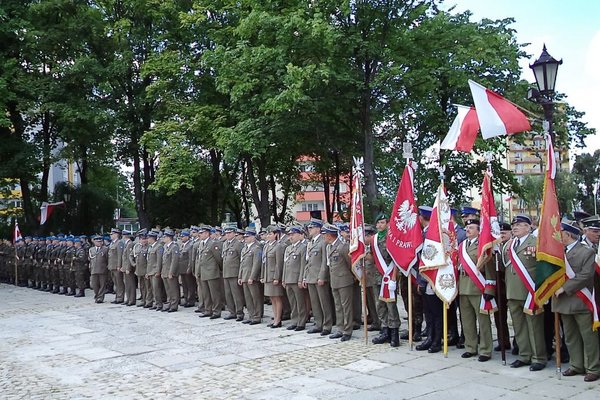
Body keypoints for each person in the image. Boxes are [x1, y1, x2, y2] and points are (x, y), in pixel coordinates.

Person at [553, 220, 600, 382]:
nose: (557, 236)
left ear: (568, 234)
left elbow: (586, 275)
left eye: (560, 232)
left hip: (580, 299)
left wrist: (564, 288)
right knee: (570, 336)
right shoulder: (558, 252)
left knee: (588, 336)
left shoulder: (586, 252)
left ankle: (593, 367)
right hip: (563, 302)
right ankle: (576, 365)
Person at [503, 214, 547, 371]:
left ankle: (538, 357)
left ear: (528, 227)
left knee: (534, 326)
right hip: (513, 291)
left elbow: (543, 268)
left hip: (530, 291)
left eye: (519, 225)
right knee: (518, 326)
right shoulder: (509, 244)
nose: (514, 227)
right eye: (514, 225)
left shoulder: (536, 242)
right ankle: (524, 355)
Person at [457, 219, 495, 362]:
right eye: (467, 227)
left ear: (479, 231)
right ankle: (471, 347)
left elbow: (490, 269)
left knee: (483, 321)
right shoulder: (461, 246)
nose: (467, 229)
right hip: (463, 287)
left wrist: (490, 289)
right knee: (467, 321)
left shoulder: (483, 246)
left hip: (478, 287)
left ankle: (485, 349)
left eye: (471, 227)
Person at [371, 214, 401, 347]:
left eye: (382, 223)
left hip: (389, 275)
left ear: (387, 224)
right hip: (377, 276)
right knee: (380, 305)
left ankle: (394, 333)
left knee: (391, 305)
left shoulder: (392, 238)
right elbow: (373, 257)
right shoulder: (374, 239)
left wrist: (394, 276)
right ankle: (385, 331)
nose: (380, 225)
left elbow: (396, 259)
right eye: (378, 223)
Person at [301, 218, 334, 336]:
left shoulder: (323, 241)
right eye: (309, 227)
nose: (309, 229)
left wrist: (322, 276)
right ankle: (318, 323)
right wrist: (305, 277)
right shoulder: (311, 242)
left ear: (318, 229)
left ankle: (327, 325)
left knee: (324, 302)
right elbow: (308, 261)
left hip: (319, 277)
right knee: (315, 303)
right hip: (310, 276)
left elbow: (325, 261)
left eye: (312, 227)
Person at [323, 223, 354, 342]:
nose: (324, 237)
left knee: (346, 307)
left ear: (329, 236)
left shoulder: (343, 247)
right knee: (338, 306)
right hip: (334, 280)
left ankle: (347, 330)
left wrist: (352, 277)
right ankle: (340, 328)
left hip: (344, 280)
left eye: (325, 235)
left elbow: (350, 264)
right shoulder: (329, 247)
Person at [282, 225, 308, 331]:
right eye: (289, 235)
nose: (290, 237)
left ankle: (301, 322)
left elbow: (303, 265)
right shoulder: (288, 248)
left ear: (299, 235)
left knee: (300, 302)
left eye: (293, 234)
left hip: (297, 278)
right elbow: (285, 264)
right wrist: (283, 278)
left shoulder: (302, 247)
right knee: (292, 302)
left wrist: (301, 279)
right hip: (288, 278)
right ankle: (294, 320)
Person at [196, 225, 224, 319]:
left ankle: (216, 311)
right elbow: (200, 259)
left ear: (207, 233)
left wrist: (219, 269)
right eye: (199, 233)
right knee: (206, 293)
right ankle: (208, 310)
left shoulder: (213, 243)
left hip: (212, 271)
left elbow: (218, 258)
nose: (200, 235)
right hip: (203, 271)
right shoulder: (201, 243)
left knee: (214, 293)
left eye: (201, 233)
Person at [261, 225, 285, 328]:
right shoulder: (266, 246)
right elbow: (264, 262)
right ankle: (275, 317)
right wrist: (262, 275)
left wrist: (277, 277)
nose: (268, 236)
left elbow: (278, 263)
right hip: (267, 275)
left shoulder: (278, 246)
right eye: (267, 234)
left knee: (277, 298)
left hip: (273, 275)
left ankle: (278, 319)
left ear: (276, 235)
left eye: (270, 234)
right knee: (272, 298)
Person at [239, 228, 264, 325]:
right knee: (248, 298)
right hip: (245, 276)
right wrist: (240, 276)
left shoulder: (256, 248)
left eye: (247, 236)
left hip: (251, 277)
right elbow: (242, 264)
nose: (245, 238)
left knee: (255, 297)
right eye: (245, 236)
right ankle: (251, 315)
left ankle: (257, 316)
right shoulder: (245, 248)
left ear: (253, 237)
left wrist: (252, 277)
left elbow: (256, 264)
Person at [494, 222, 512, 352]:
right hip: (499, 286)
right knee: (499, 317)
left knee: (517, 318)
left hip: (512, 285)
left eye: (504, 233)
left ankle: (518, 343)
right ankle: (503, 341)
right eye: (500, 233)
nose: (502, 235)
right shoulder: (495, 247)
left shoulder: (513, 245)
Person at [222, 227, 245, 320]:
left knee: (236, 294)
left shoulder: (238, 244)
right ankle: (232, 312)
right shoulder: (224, 244)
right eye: (226, 233)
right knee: (228, 294)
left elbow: (241, 260)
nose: (227, 234)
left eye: (230, 233)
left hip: (234, 272)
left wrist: (240, 274)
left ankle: (239, 313)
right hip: (226, 272)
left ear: (234, 233)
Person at [363, 224, 381, 332]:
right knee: (369, 302)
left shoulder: (375, 246)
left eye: (365, 236)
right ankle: (375, 321)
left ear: (370, 236)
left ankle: (379, 321)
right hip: (367, 278)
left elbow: (375, 261)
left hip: (374, 277)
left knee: (375, 302)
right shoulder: (365, 247)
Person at [161, 228, 180, 312]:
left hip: (170, 272)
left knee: (173, 289)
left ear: (169, 237)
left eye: (164, 237)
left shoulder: (174, 247)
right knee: (168, 289)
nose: (163, 238)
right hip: (165, 271)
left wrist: (171, 272)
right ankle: (169, 303)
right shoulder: (165, 247)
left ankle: (174, 305)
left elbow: (174, 261)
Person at [146, 230, 163, 311]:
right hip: (150, 271)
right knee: (153, 289)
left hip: (155, 271)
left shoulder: (158, 246)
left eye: (148, 238)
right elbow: (149, 261)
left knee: (156, 289)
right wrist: (147, 272)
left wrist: (158, 271)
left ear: (152, 238)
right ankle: (156, 303)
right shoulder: (151, 247)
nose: (147, 239)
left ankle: (159, 304)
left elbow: (159, 260)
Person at [89, 235, 109, 303]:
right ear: (94, 242)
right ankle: (97, 295)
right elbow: (90, 259)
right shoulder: (91, 249)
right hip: (93, 269)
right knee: (94, 285)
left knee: (102, 285)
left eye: (100, 241)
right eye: (97, 241)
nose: (99, 243)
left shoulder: (105, 249)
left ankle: (100, 297)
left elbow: (107, 259)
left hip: (102, 269)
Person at [107, 228, 125, 304]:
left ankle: (120, 297)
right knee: (115, 282)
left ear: (116, 234)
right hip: (112, 266)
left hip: (116, 266)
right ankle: (117, 296)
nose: (111, 236)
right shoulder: (112, 243)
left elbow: (120, 255)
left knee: (119, 282)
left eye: (112, 234)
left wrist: (119, 265)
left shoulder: (119, 243)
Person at [121, 230, 136, 306]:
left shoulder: (130, 244)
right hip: (125, 267)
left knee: (131, 284)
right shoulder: (126, 244)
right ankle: (128, 298)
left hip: (128, 268)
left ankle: (132, 299)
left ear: (125, 236)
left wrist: (128, 268)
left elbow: (129, 258)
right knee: (127, 284)